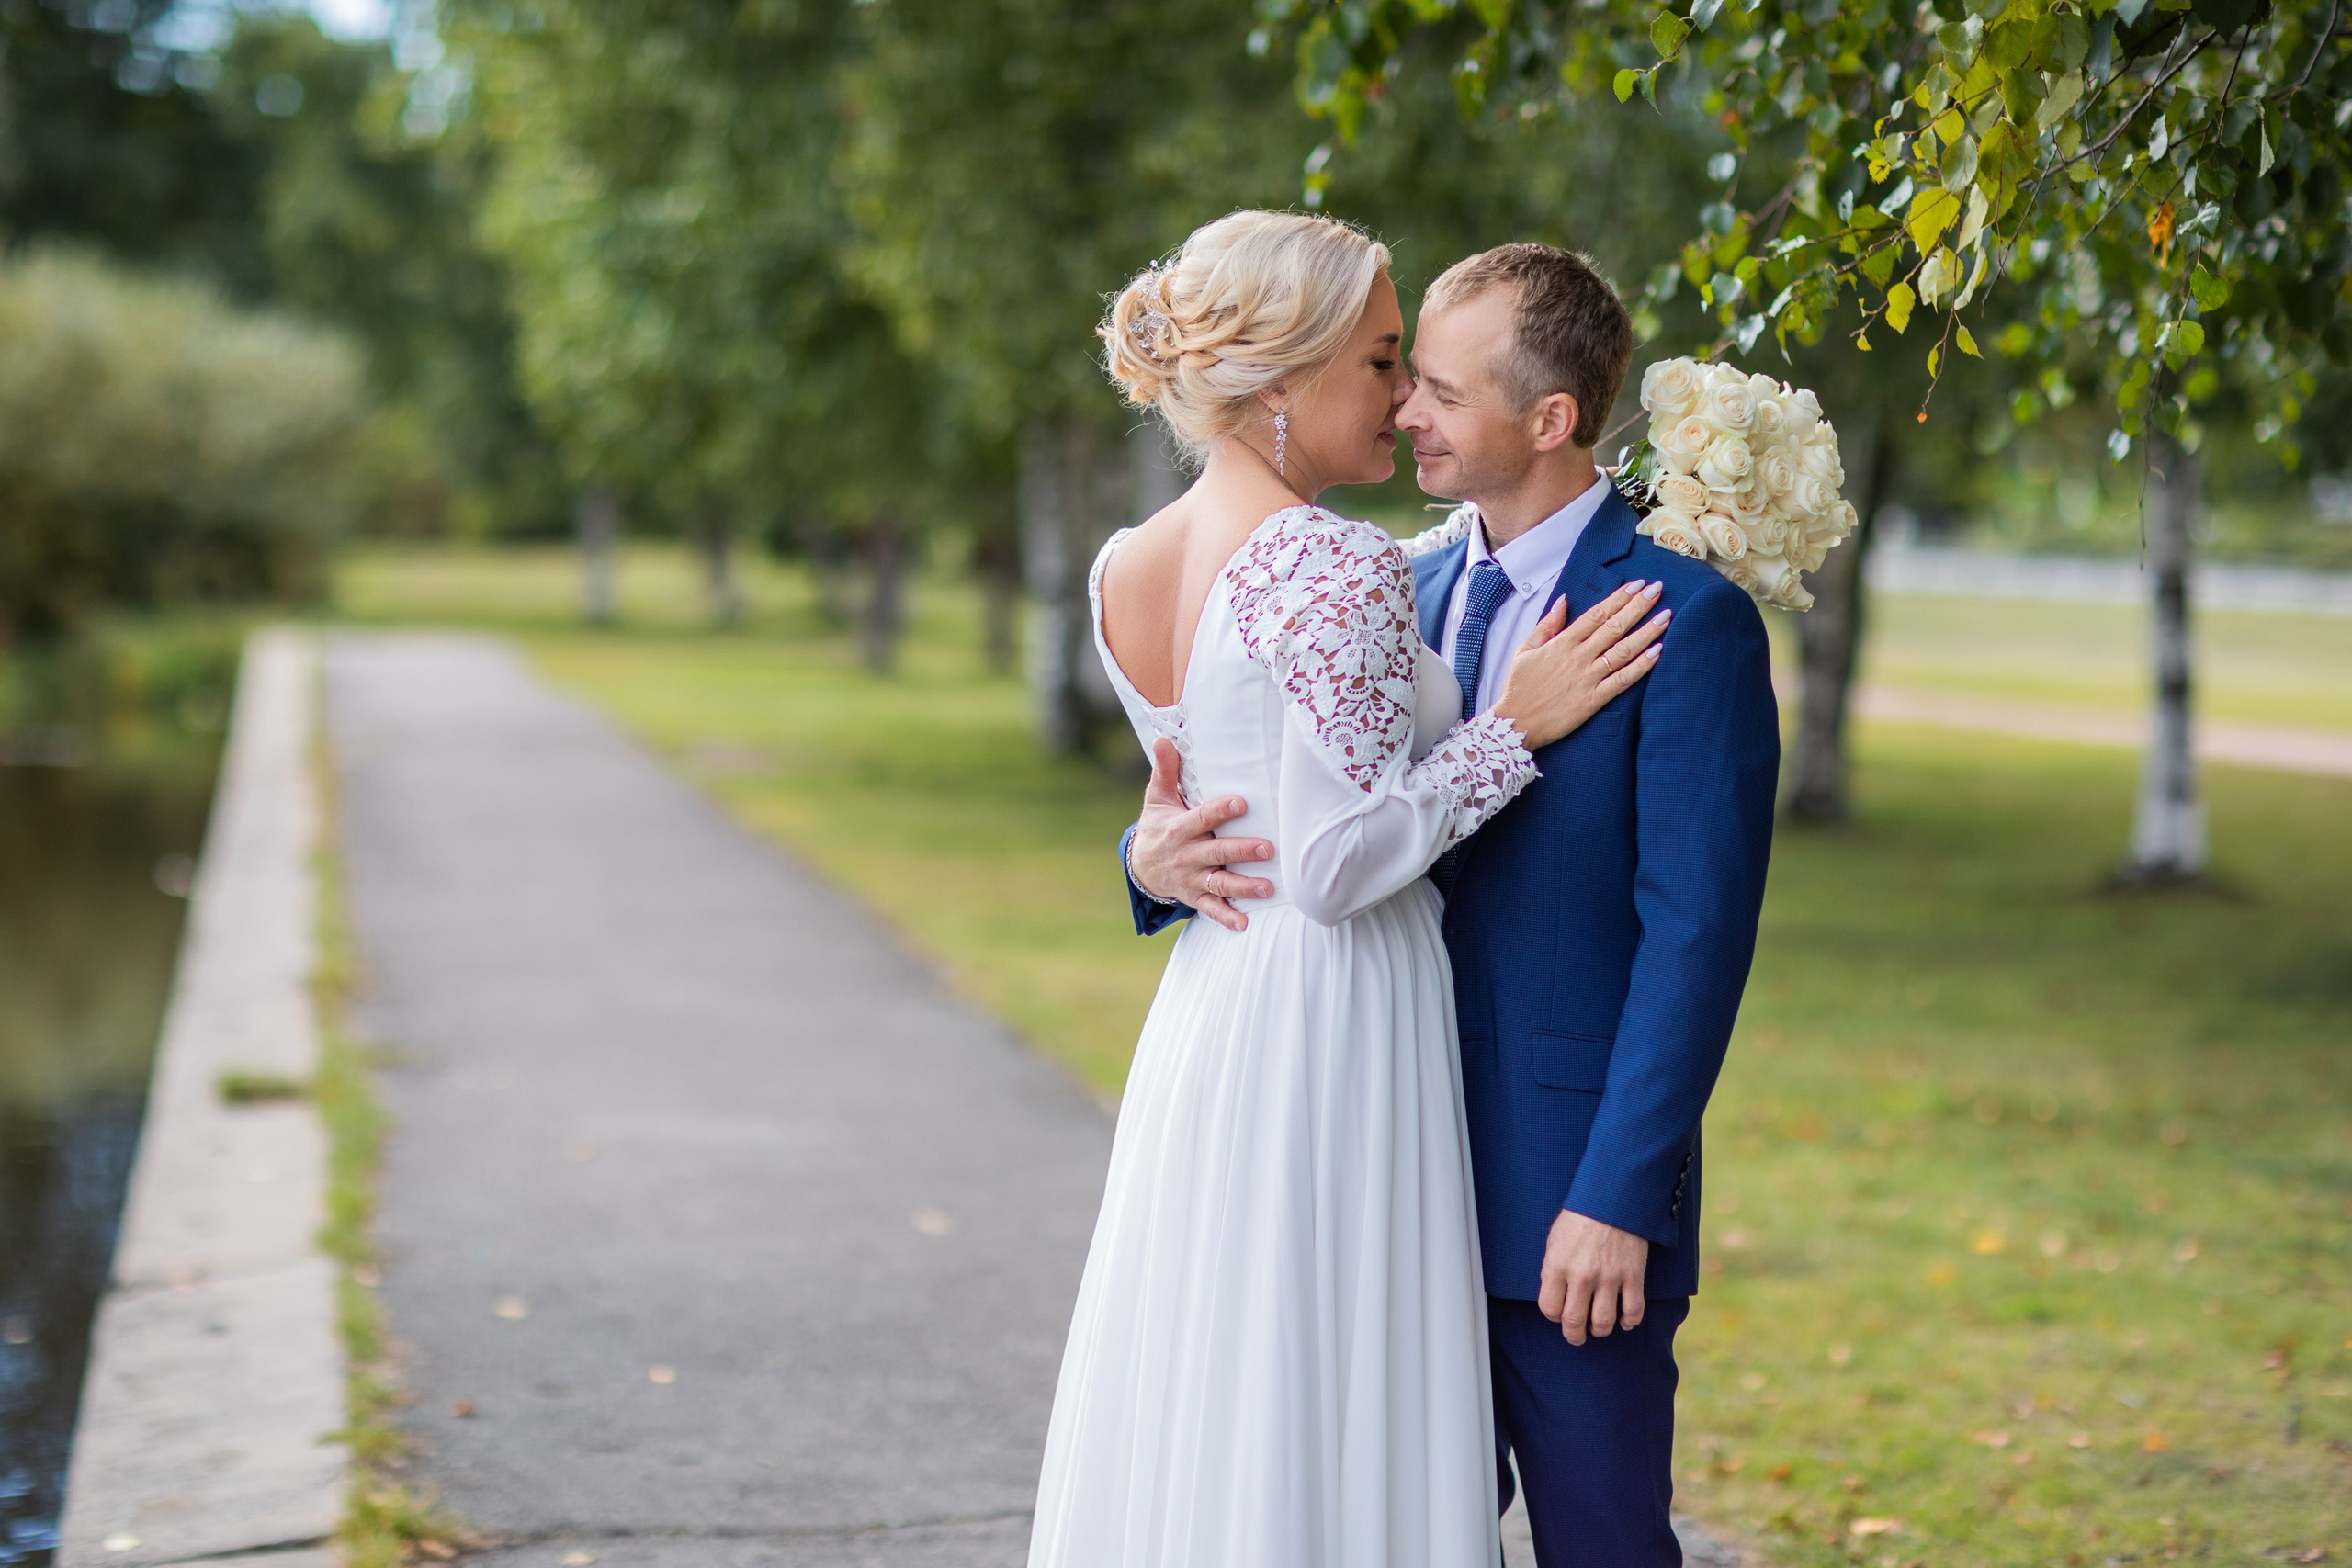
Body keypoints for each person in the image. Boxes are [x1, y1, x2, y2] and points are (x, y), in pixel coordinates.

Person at [1029, 212, 1670, 1568]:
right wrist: (1519, 725)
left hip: (1214, 1014)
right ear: (1285, 378)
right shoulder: (1336, 562)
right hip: (1335, 1012)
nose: (1403, 396)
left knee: (1226, 1371)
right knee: (1331, 1374)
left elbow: (1196, 799)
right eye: (1385, 361)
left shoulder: (1123, 565)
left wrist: (1150, 857)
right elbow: (1328, 866)